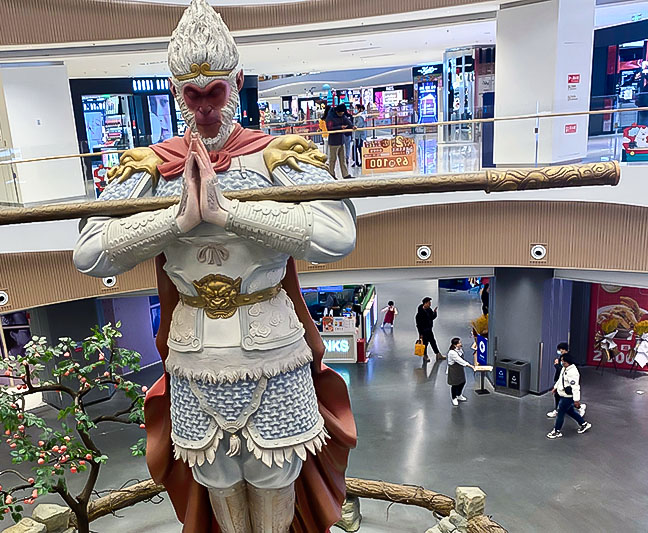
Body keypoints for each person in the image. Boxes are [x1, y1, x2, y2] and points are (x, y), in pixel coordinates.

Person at [73, 1, 357, 529]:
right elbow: (90, 253)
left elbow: (337, 235)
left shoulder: (275, 156)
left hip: (274, 347)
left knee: (275, 473)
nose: (205, 108)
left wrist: (230, 214)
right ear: (175, 92)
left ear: (238, 84)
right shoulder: (151, 166)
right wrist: (177, 221)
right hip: (192, 352)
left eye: (215, 92)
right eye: (193, 95)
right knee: (216, 477)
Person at [547, 353, 592, 439]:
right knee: (570, 411)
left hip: (567, 397)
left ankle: (556, 431)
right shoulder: (564, 368)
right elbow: (560, 379)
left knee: (560, 413)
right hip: (563, 394)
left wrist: (576, 400)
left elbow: (575, 387)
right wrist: (555, 387)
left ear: (567, 362)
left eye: (562, 360)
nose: (561, 362)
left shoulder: (573, 373)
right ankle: (584, 424)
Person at [547, 343, 586, 419]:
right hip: (560, 380)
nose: (559, 351)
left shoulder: (568, 359)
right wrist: (555, 386)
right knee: (558, 396)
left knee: (567, 399)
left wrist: (556, 365)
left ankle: (579, 407)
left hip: (566, 383)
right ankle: (557, 410)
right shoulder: (562, 357)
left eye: (561, 349)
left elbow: (564, 370)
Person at [325, 103, 353, 179]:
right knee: (332, 160)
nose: (342, 114)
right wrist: (340, 127)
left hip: (341, 141)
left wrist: (352, 126)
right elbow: (329, 128)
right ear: (337, 111)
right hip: (333, 142)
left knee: (343, 159)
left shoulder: (342, 116)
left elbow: (347, 121)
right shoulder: (330, 117)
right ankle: (331, 174)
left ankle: (345, 174)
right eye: (340, 113)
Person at [447, 337, 474, 406]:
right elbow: (460, 360)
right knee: (455, 384)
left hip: (459, 369)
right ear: (455, 345)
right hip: (454, 370)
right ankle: (454, 398)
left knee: (462, 382)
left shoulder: (459, 349)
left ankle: (459, 395)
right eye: (459, 343)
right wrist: (470, 366)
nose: (461, 344)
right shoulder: (452, 353)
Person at [416, 297, 443, 362]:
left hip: (429, 330)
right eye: (429, 303)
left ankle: (438, 354)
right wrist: (421, 334)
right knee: (425, 343)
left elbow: (432, 317)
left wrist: (435, 313)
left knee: (433, 342)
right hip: (423, 331)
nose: (430, 304)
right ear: (425, 303)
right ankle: (425, 355)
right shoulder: (419, 314)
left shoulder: (429, 310)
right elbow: (419, 325)